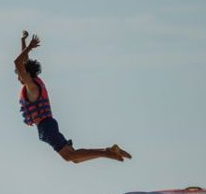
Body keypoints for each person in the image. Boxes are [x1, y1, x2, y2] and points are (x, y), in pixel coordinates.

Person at [14, 31, 132, 164]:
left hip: (46, 126)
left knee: (70, 156)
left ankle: (107, 152)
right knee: (74, 158)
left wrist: (29, 47)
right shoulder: (35, 82)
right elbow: (23, 62)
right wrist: (23, 41)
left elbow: (18, 63)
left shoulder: (31, 86)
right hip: (46, 126)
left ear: (27, 73)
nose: (18, 77)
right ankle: (109, 150)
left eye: (19, 74)